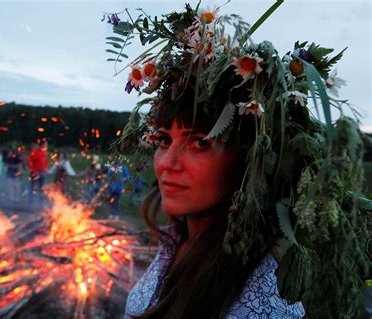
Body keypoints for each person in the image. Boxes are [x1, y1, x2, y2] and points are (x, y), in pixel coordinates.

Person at [105, 3, 371, 318]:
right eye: (163, 140)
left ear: (250, 160)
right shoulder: (177, 242)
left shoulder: (263, 301)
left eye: (200, 143)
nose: (167, 163)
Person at [27, 140, 48, 206]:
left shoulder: (44, 153)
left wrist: (45, 170)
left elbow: (45, 163)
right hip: (35, 173)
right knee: (32, 188)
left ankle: (41, 204)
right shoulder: (35, 152)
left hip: (42, 174)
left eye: (46, 145)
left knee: (42, 189)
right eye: (45, 144)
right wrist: (34, 171)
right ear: (41, 145)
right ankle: (31, 204)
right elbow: (29, 162)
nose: (46, 146)